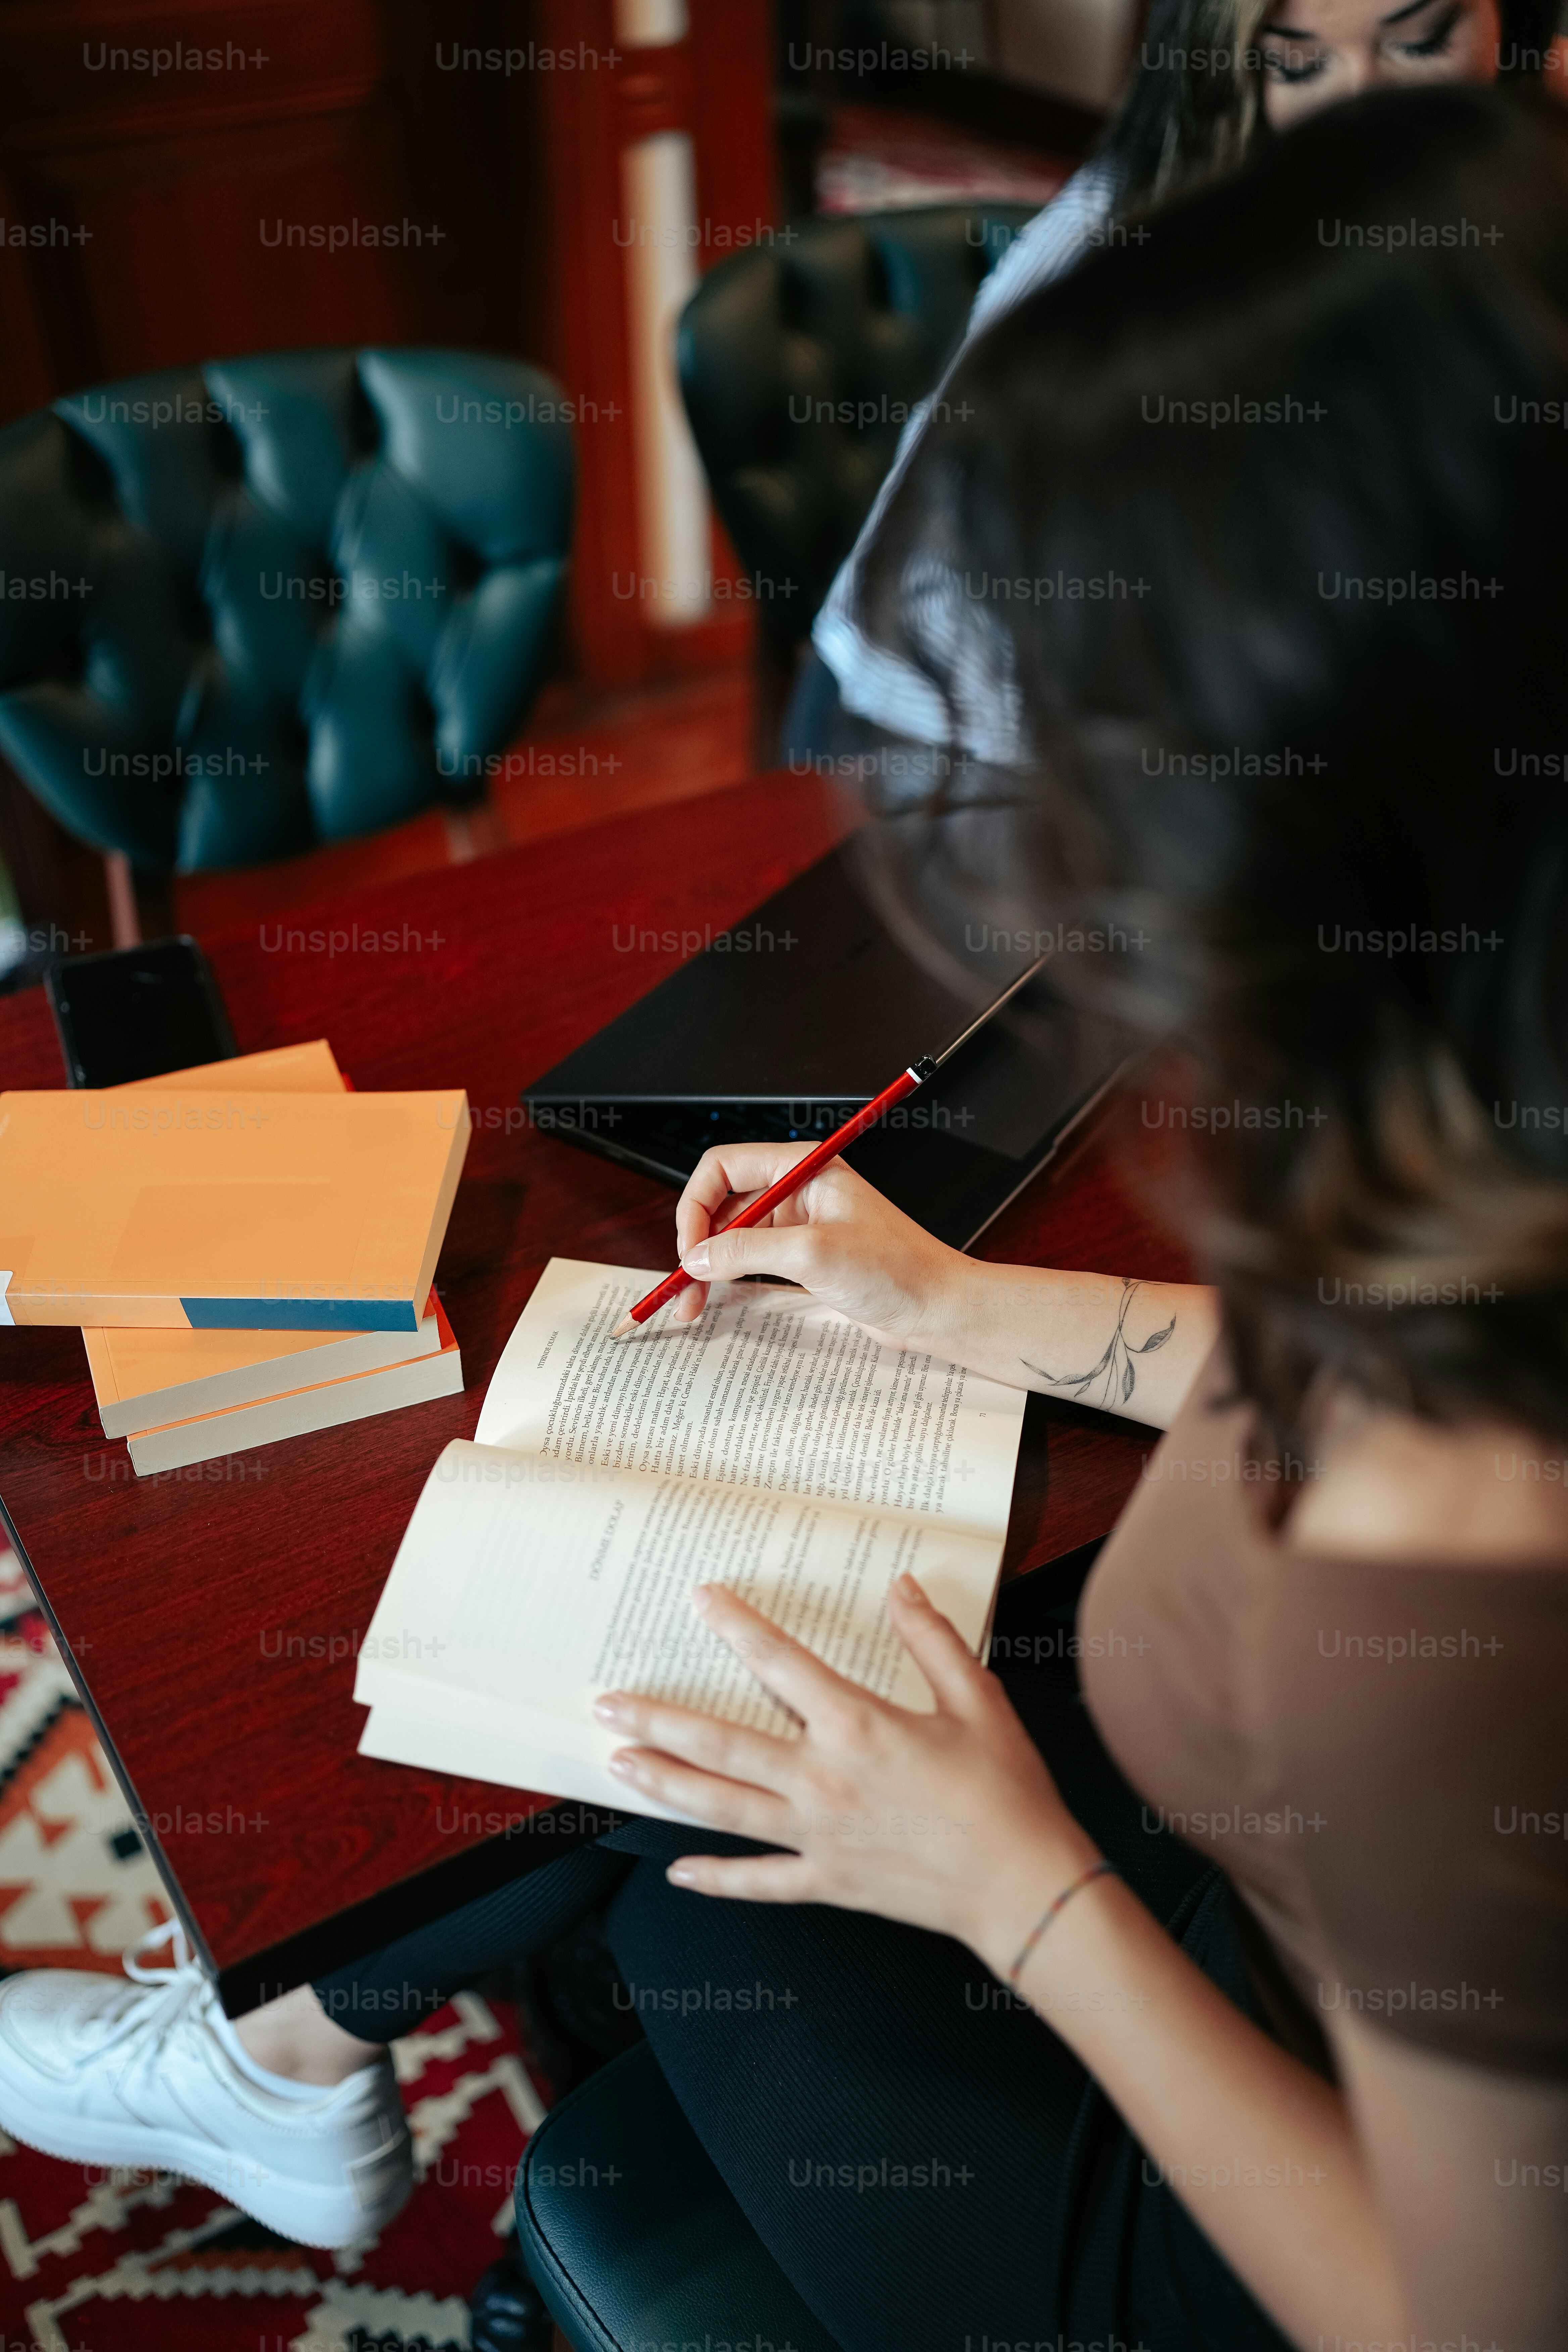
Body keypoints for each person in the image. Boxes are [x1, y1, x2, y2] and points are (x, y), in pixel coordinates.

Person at [5, 77, 1568, 2352]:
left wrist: (1016, 1895)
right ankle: (279, 2057)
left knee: (664, 1859)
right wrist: (956, 1305)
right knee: (718, 1649)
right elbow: (1345, 1342)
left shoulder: (1445, 1594)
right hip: (1259, 1870)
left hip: (1202, 2237)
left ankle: (265, 2065)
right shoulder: (1479, 1106)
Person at [792, 0, 1558, 779]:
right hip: (955, 741)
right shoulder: (1116, 243)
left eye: (1421, 45)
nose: (1361, 108)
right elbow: (921, 609)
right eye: (1294, 65)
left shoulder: (1498, 204)